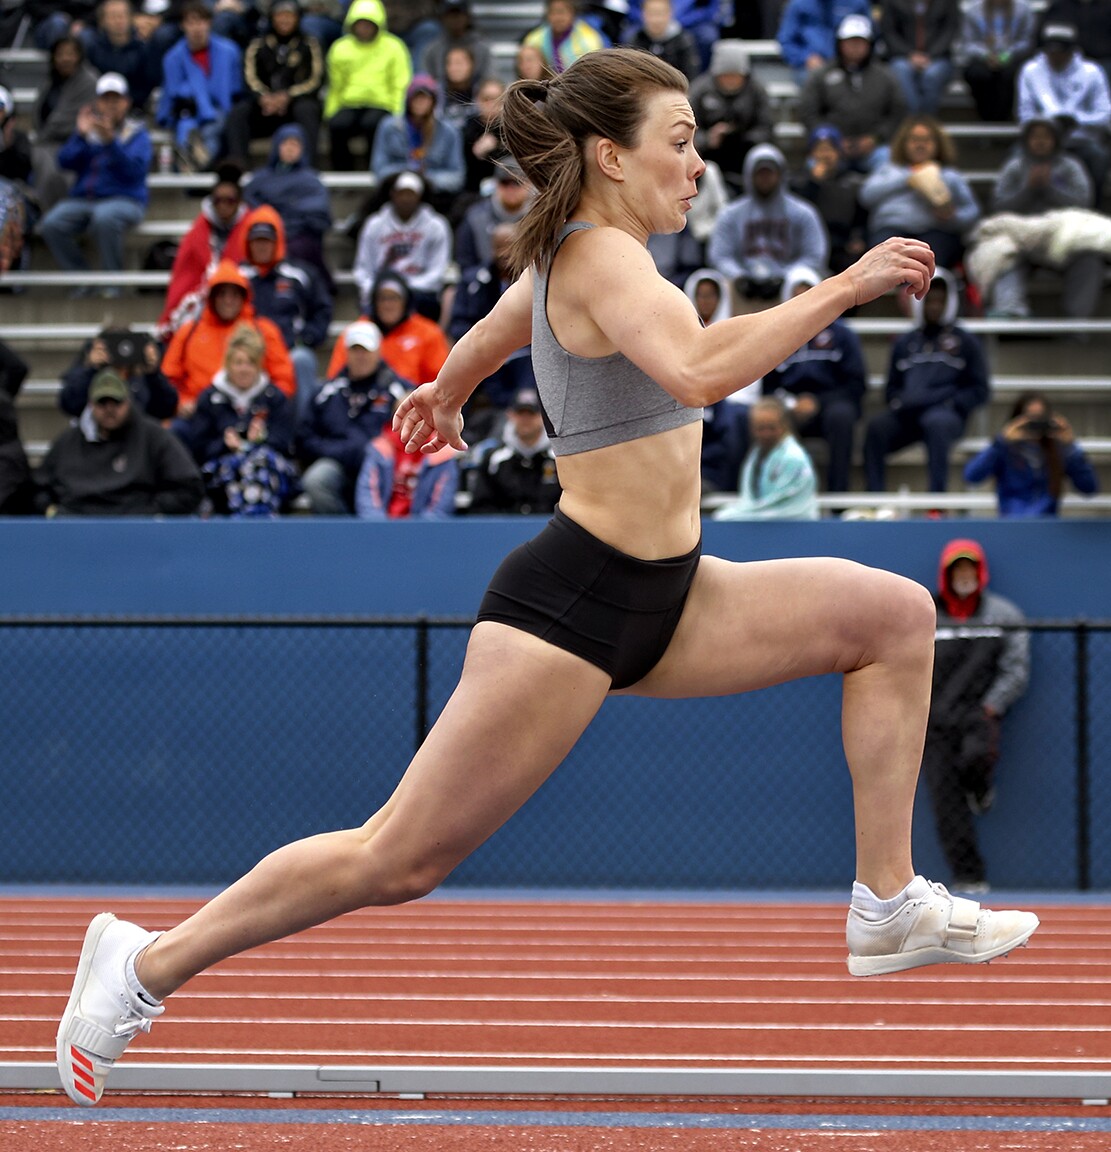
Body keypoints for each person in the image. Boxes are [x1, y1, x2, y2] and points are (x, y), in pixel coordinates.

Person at [54, 49, 1039, 1112]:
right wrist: (847, 284)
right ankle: (142, 965)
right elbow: (700, 370)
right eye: (680, 142)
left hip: (672, 592)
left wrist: (447, 385)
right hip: (572, 604)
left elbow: (506, 314)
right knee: (397, 857)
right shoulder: (608, 261)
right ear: (611, 156)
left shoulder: (580, 252)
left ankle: (886, 903)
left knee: (893, 616)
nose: (699, 164)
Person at [923, 539, 1029, 893]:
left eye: (970, 568)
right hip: (934, 721)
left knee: (975, 759)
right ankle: (969, 877)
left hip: (978, 716)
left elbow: (1016, 668)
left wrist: (992, 705)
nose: (964, 575)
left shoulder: (1004, 615)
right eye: (958, 570)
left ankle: (981, 790)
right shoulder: (927, 615)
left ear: (980, 572)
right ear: (947, 575)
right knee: (944, 802)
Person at [966, 116, 1105, 322]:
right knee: (999, 251)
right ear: (1027, 140)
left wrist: (1051, 188)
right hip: (1021, 236)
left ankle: (1075, 323)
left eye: (1046, 137)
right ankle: (1011, 312)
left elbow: (1083, 202)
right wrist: (1027, 188)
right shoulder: (1014, 167)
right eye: (1035, 137)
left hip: (1061, 236)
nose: (1040, 141)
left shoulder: (1071, 166)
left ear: (1055, 140)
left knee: (1090, 259)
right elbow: (998, 206)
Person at [863, 268, 990, 493]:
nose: (934, 307)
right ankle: (875, 499)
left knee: (936, 423)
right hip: (909, 413)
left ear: (950, 302)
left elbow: (979, 389)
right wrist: (900, 402)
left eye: (940, 301)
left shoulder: (965, 341)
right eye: (929, 301)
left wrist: (954, 403)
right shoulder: (905, 342)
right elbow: (891, 388)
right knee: (876, 428)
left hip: (945, 414)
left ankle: (936, 502)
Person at [35, 368, 204, 517]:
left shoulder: (153, 436)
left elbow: (189, 486)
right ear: (91, 405)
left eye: (116, 402)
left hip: (137, 530)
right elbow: (38, 488)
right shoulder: (68, 442)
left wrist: (152, 512)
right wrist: (52, 512)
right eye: (102, 402)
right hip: (76, 528)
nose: (109, 409)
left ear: (128, 402)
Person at [174, 323, 300, 517]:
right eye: (238, 362)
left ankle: (247, 528)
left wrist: (261, 440)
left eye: (250, 362)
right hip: (223, 470)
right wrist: (224, 445)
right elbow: (198, 448)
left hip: (269, 470)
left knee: (259, 463)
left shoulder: (274, 398)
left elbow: (286, 443)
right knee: (235, 468)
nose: (244, 369)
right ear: (228, 363)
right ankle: (255, 530)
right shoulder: (209, 398)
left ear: (259, 365)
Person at [38, 72, 151, 287]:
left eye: (115, 100)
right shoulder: (88, 131)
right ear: (98, 102)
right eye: (105, 100)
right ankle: (83, 281)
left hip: (125, 199)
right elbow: (64, 161)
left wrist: (111, 143)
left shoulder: (136, 134)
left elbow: (135, 172)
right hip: (85, 199)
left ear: (125, 103)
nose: (110, 105)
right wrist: (80, 136)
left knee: (104, 217)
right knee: (51, 224)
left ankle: (111, 285)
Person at [764, 267, 866, 493]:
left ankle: (838, 495)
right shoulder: (776, 334)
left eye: (808, 293)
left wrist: (818, 402)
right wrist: (791, 403)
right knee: (766, 416)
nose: (802, 300)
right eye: (796, 294)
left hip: (831, 403)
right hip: (790, 405)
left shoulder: (842, 334)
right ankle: (777, 494)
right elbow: (768, 386)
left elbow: (856, 384)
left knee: (841, 416)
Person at [298, 320, 411, 514]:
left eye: (366, 350)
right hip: (337, 463)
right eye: (355, 350)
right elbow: (304, 439)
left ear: (378, 352)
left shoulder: (399, 391)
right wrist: (340, 451)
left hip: (383, 466)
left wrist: (373, 451)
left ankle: (383, 535)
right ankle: (342, 538)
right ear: (346, 353)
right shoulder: (326, 392)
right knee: (317, 480)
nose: (360, 356)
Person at [161, 258, 295, 414]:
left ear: (244, 297)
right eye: (222, 294)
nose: (228, 301)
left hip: (252, 413)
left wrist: (268, 407)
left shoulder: (264, 330)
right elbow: (169, 379)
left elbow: (284, 378)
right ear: (212, 298)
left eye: (234, 294)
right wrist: (182, 403)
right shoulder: (189, 331)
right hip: (200, 414)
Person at [707, 143, 829, 311]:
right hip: (743, 288)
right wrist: (739, 277)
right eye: (760, 173)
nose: (765, 178)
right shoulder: (730, 214)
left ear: (780, 175)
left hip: (787, 286)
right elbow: (720, 256)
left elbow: (814, 255)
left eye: (769, 172)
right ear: (749, 175)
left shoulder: (803, 212)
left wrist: (785, 276)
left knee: (804, 279)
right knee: (715, 281)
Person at [239, 205, 333, 419]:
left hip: (289, 348)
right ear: (248, 243)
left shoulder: (299, 274)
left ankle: (302, 432)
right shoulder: (236, 277)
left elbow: (322, 309)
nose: (262, 247)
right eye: (257, 241)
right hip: (247, 352)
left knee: (303, 360)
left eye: (266, 241)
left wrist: (307, 337)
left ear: (277, 241)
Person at [859, 115, 980, 272]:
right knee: (884, 256)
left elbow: (972, 211)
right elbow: (866, 196)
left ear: (938, 144)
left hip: (934, 232)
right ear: (904, 143)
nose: (920, 145)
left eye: (926, 140)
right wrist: (910, 178)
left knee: (935, 255)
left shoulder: (949, 175)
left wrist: (953, 217)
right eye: (914, 139)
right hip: (892, 230)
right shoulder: (889, 170)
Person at [798, 15, 906, 175]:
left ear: (870, 44)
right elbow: (809, 113)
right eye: (850, 42)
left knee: (892, 165)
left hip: (875, 148)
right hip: (832, 148)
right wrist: (830, 140)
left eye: (860, 42)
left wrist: (875, 138)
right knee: (814, 166)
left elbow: (898, 112)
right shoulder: (821, 75)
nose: (855, 46)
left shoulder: (885, 76)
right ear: (839, 44)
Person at [1016, 23, 1111, 204]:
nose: (1056, 57)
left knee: (1099, 156)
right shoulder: (1030, 71)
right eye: (1051, 52)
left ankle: (1093, 208)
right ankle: (1024, 210)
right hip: (1039, 139)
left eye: (1061, 52)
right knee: (1015, 158)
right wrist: (1046, 124)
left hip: (1081, 138)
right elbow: (1025, 114)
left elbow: (1105, 115)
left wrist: (1077, 120)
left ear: (1073, 51)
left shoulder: (1092, 72)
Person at [157, 162, 252, 342]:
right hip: (202, 306)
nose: (223, 205)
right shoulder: (197, 233)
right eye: (218, 200)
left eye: (230, 201)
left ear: (239, 202)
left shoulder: (250, 228)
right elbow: (185, 276)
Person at [963, 391, 1098, 516]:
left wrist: (1071, 447)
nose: (1035, 425)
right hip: (1013, 522)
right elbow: (972, 476)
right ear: (1016, 420)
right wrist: (1001, 442)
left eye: (1040, 418)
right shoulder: (1005, 450)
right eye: (1030, 419)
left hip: (1047, 525)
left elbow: (1089, 487)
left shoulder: (1058, 452)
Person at [224, 0, 325, 166]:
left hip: (295, 106)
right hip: (265, 107)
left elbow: (315, 79)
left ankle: (309, 167)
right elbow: (249, 78)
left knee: (307, 109)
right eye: (280, 15)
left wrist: (288, 96)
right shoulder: (258, 44)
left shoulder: (310, 44)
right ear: (272, 18)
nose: (284, 20)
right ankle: (239, 166)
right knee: (239, 112)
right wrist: (264, 97)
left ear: (298, 18)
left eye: (289, 15)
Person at [241, 124, 333, 292]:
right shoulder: (260, 178)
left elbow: (318, 212)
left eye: (296, 144)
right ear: (277, 146)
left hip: (298, 235)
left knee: (300, 249)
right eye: (286, 143)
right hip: (265, 234)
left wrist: (284, 212)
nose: (290, 149)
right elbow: (251, 204)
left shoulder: (311, 180)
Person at [322, 0, 412, 172]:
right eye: (360, 24)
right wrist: (330, 112)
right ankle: (342, 173)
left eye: (368, 24)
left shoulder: (394, 47)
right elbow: (335, 86)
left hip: (382, 104)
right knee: (337, 125)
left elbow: (400, 83)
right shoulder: (340, 48)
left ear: (378, 23)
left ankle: (375, 170)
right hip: (350, 103)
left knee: (373, 124)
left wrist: (398, 112)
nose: (364, 28)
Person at [352, 172, 454, 322]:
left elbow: (438, 271)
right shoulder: (374, 224)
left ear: (419, 196)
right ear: (393, 194)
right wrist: (378, 288)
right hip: (381, 290)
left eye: (410, 194)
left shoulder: (436, 225)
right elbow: (362, 269)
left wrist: (405, 288)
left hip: (420, 292)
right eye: (401, 193)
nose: (406, 199)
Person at [156, 0, 243, 171]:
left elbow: (235, 88)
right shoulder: (172, 57)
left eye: (200, 21)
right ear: (183, 26)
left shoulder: (229, 51)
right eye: (191, 22)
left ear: (209, 23)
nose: (196, 27)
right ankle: (196, 162)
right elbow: (173, 92)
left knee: (213, 125)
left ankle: (192, 165)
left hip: (221, 110)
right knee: (186, 126)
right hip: (188, 112)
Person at [327, 269, 450, 388]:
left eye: (394, 298)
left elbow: (440, 383)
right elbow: (335, 377)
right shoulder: (357, 331)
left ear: (406, 301)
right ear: (374, 302)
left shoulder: (428, 332)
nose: (388, 305)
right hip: (362, 401)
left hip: (413, 401)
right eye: (382, 298)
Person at [369, 73, 466, 214]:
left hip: (435, 194)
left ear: (434, 101)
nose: (420, 102)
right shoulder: (389, 127)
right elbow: (379, 169)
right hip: (396, 191)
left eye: (425, 98)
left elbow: (457, 177)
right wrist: (407, 174)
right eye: (417, 97)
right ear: (408, 100)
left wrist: (425, 178)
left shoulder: (449, 132)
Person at [687, 39, 774, 194]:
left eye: (735, 76)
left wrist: (740, 136)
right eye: (726, 76)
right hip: (709, 156)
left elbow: (766, 127)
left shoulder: (757, 91)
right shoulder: (700, 90)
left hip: (747, 151)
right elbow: (686, 130)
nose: (731, 81)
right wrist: (708, 138)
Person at [712, 396, 820, 520]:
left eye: (771, 427)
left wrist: (736, 513)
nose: (766, 434)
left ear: (784, 425)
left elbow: (777, 502)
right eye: (760, 428)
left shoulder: (794, 457)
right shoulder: (756, 453)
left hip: (795, 521)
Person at [354, 395, 459, 518]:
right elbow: (367, 498)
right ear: (395, 418)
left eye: (419, 416)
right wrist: (380, 529)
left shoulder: (443, 455)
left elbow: (441, 507)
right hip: (381, 529)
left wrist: (417, 532)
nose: (413, 421)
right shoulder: (378, 451)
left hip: (425, 532)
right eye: (405, 415)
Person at [465, 386, 562, 515]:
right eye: (520, 413)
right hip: (504, 531)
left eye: (531, 414)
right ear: (510, 415)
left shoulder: (559, 458)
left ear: (543, 416)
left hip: (551, 530)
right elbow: (481, 506)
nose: (525, 420)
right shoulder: (494, 460)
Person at [30, 35, 99, 214]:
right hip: (46, 142)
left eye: (70, 54)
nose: (65, 59)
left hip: (76, 142)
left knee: (56, 174)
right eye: (60, 54)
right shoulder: (51, 81)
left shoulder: (89, 82)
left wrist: (44, 136)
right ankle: (45, 216)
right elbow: (39, 113)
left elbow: (69, 120)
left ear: (79, 56)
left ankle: (58, 219)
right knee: (41, 166)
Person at [790, 125, 868, 275]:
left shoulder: (851, 181)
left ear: (838, 152)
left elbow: (861, 216)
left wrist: (858, 237)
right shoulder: (799, 182)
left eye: (829, 149)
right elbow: (797, 212)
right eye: (820, 149)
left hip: (841, 242)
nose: (825, 155)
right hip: (809, 243)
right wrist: (814, 184)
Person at [59, 326, 179, 420]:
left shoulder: (142, 378)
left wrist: (153, 373)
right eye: (112, 346)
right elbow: (69, 404)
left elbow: (167, 408)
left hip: (137, 440)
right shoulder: (89, 374)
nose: (119, 354)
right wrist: (92, 369)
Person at [454, 157, 533, 279]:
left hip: (530, 283)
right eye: (505, 183)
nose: (511, 189)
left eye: (517, 183)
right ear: (496, 184)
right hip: (485, 285)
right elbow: (465, 263)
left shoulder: (540, 217)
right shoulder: (476, 217)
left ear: (529, 184)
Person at [880, 0, 962, 117]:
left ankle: (926, 122)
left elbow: (950, 30)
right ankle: (914, 122)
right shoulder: (893, 2)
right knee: (900, 70)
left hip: (938, 57)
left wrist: (930, 55)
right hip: (903, 56)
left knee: (932, 75)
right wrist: (909, 54)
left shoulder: (947, 2)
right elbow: (889, 32)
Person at [959, 0, 1036, 123]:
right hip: (983, 59)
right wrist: (986, 55)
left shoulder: (1023, 9)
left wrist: (1005, 56)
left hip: (1013, 58)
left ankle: (1004, 119)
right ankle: (985, 118)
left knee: (1011, 74)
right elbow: (968, 44)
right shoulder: (973, 10)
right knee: (976, 74)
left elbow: (1028, 42)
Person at [81, 0, 160, 111]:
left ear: (131, 18)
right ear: (102, 21)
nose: (118, 21)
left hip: (135, 108)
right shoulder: (92, 49)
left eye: (122, 16)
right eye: (113, 16)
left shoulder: (144, 50)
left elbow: (148, 84)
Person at [776, 0, 871, 85]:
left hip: (851, 64)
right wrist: (805, 58)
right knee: (815, 81)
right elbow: (786, 41)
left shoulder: (857, 3)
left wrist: (855, 58)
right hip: (809, 68)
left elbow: (871, 36)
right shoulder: (798, 5)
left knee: (871, 79)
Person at [419, 0, 494, 88]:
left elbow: (491, 80)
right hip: (441, 98)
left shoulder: (482, 48)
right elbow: (424, 83)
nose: (454, 19)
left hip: (475, 98)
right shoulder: (432, 50)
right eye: (450, 15)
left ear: (467, 17)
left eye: (458, 14)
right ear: (443, 17)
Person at [523, 0, 606, 75]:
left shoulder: (589, 39)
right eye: (553, 12)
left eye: (562, 12)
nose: (558, 18)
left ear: (573, 14)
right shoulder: (534, 39)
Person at [626, 0, 700, 81]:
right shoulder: (634, 40)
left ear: (670, 13)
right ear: (643, 14)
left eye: (660, 14)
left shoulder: (684, 41)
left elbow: (691, 76)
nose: (656, 20)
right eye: (651, 14)